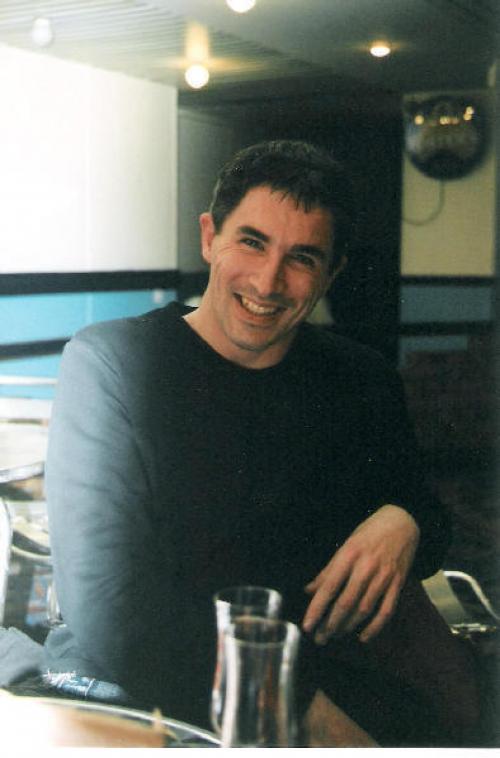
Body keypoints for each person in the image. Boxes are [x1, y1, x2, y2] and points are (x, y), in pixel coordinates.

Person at [40, 140, 452, 742]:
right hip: (145, 682)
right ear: (210, 237)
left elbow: (435, 525)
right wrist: (299, 707)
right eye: (252, 242)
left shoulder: (361, 378)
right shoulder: (114, 363)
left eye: (303, 257)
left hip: (312, 668)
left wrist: (404, 521)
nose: (268, 281)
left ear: (332, 273)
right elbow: (109, 608)